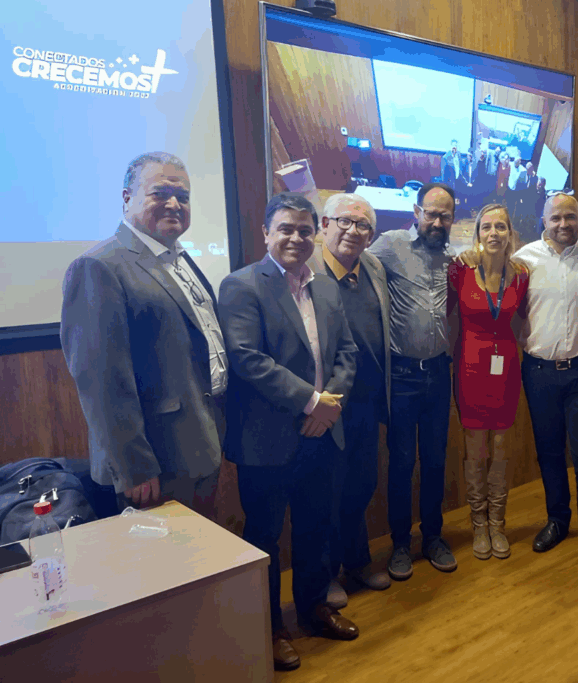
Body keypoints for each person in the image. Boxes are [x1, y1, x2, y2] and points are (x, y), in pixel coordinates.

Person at [219, 193, 360, 671]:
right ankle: (270, 627)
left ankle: (313, 608)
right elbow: (248, 359)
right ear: (265, 233)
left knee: (315, 527)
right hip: (268, 439)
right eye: (286, 229)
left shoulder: (325, 286)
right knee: (264, 536)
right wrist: (312, 401)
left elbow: (347, 353)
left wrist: (329, 407)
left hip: (321, 432)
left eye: (305, 230)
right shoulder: (241, 286)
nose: (297, 239)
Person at [60, 152, 226, 518]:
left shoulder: (181, 259)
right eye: (160, 193)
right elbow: (101, 381)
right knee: (167, 571)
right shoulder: (99, 266)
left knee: (205, 565)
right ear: (126, 198)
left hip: (199, 447)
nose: (173, 204)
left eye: (182, 197)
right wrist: (133, 466)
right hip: (153, 466)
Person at [368, 182, 460, 581]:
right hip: (402, 375)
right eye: (431, 213)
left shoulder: (455, 258)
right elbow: (346, 260)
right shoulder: (388, 245)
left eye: (445, 215)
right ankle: (401, 544)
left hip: (440, 373)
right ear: (416, 211)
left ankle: (434, 538)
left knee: (436, 460)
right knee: (402, 462)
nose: (437, 221)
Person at [515, 192, 578, 568]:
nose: (563, 225)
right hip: (538, 372)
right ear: (543, 221)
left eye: (570, 217)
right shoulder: (523, 260)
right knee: (549, 451)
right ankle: (557, 520)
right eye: (555, 218)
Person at [309, 193, 393, 608]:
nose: (353, 231)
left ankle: (356, 564)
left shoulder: (373, 267)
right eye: (344, 221)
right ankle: (324, 577)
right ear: (324, 224)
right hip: (325, 405)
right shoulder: (305, 270)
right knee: (327, 492)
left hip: (367, 403)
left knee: (361, 487)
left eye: (362, 225)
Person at [449, 204, 529, 560]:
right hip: (469, 365)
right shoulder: (460, 269)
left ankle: (498, 521)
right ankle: (477, 522)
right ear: (477, 233)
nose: (493, 233)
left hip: (506, 366)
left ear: (511, 233)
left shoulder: (523, 274)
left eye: (501, 226)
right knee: (475, 447)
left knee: (500, 448)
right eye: (487, 227)